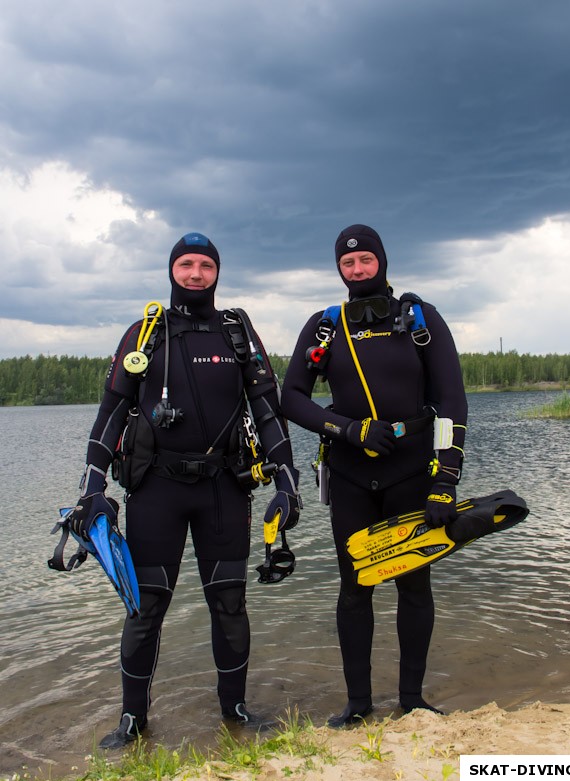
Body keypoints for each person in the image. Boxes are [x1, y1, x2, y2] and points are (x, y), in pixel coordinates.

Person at [70, 232, 300, 748]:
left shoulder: (237, 331)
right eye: (186, 265)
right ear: (172, 270)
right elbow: (110, 416)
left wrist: (287, 481)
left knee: (230, 603)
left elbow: (267, 411)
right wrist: (91, 486)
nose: (195, 274)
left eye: (205, 266)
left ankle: (236, 711)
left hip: (224, 488)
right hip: (157, 491)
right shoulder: (145, 333)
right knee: (144, 607)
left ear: (217, 272)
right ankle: (133, 720)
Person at [281, 224, 467, 727]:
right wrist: (347, 429)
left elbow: (451, 401)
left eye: (366, 260)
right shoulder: (326, 326)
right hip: (350, 475)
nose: (358, 270)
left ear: (382, 261)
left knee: (414, 585)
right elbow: (291, 397)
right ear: (338, 270)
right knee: (354, 587)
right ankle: (358, 704)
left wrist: (446, 479)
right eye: (348, 263)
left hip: (412, 471)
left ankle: (411, 700)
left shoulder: (419, 319)